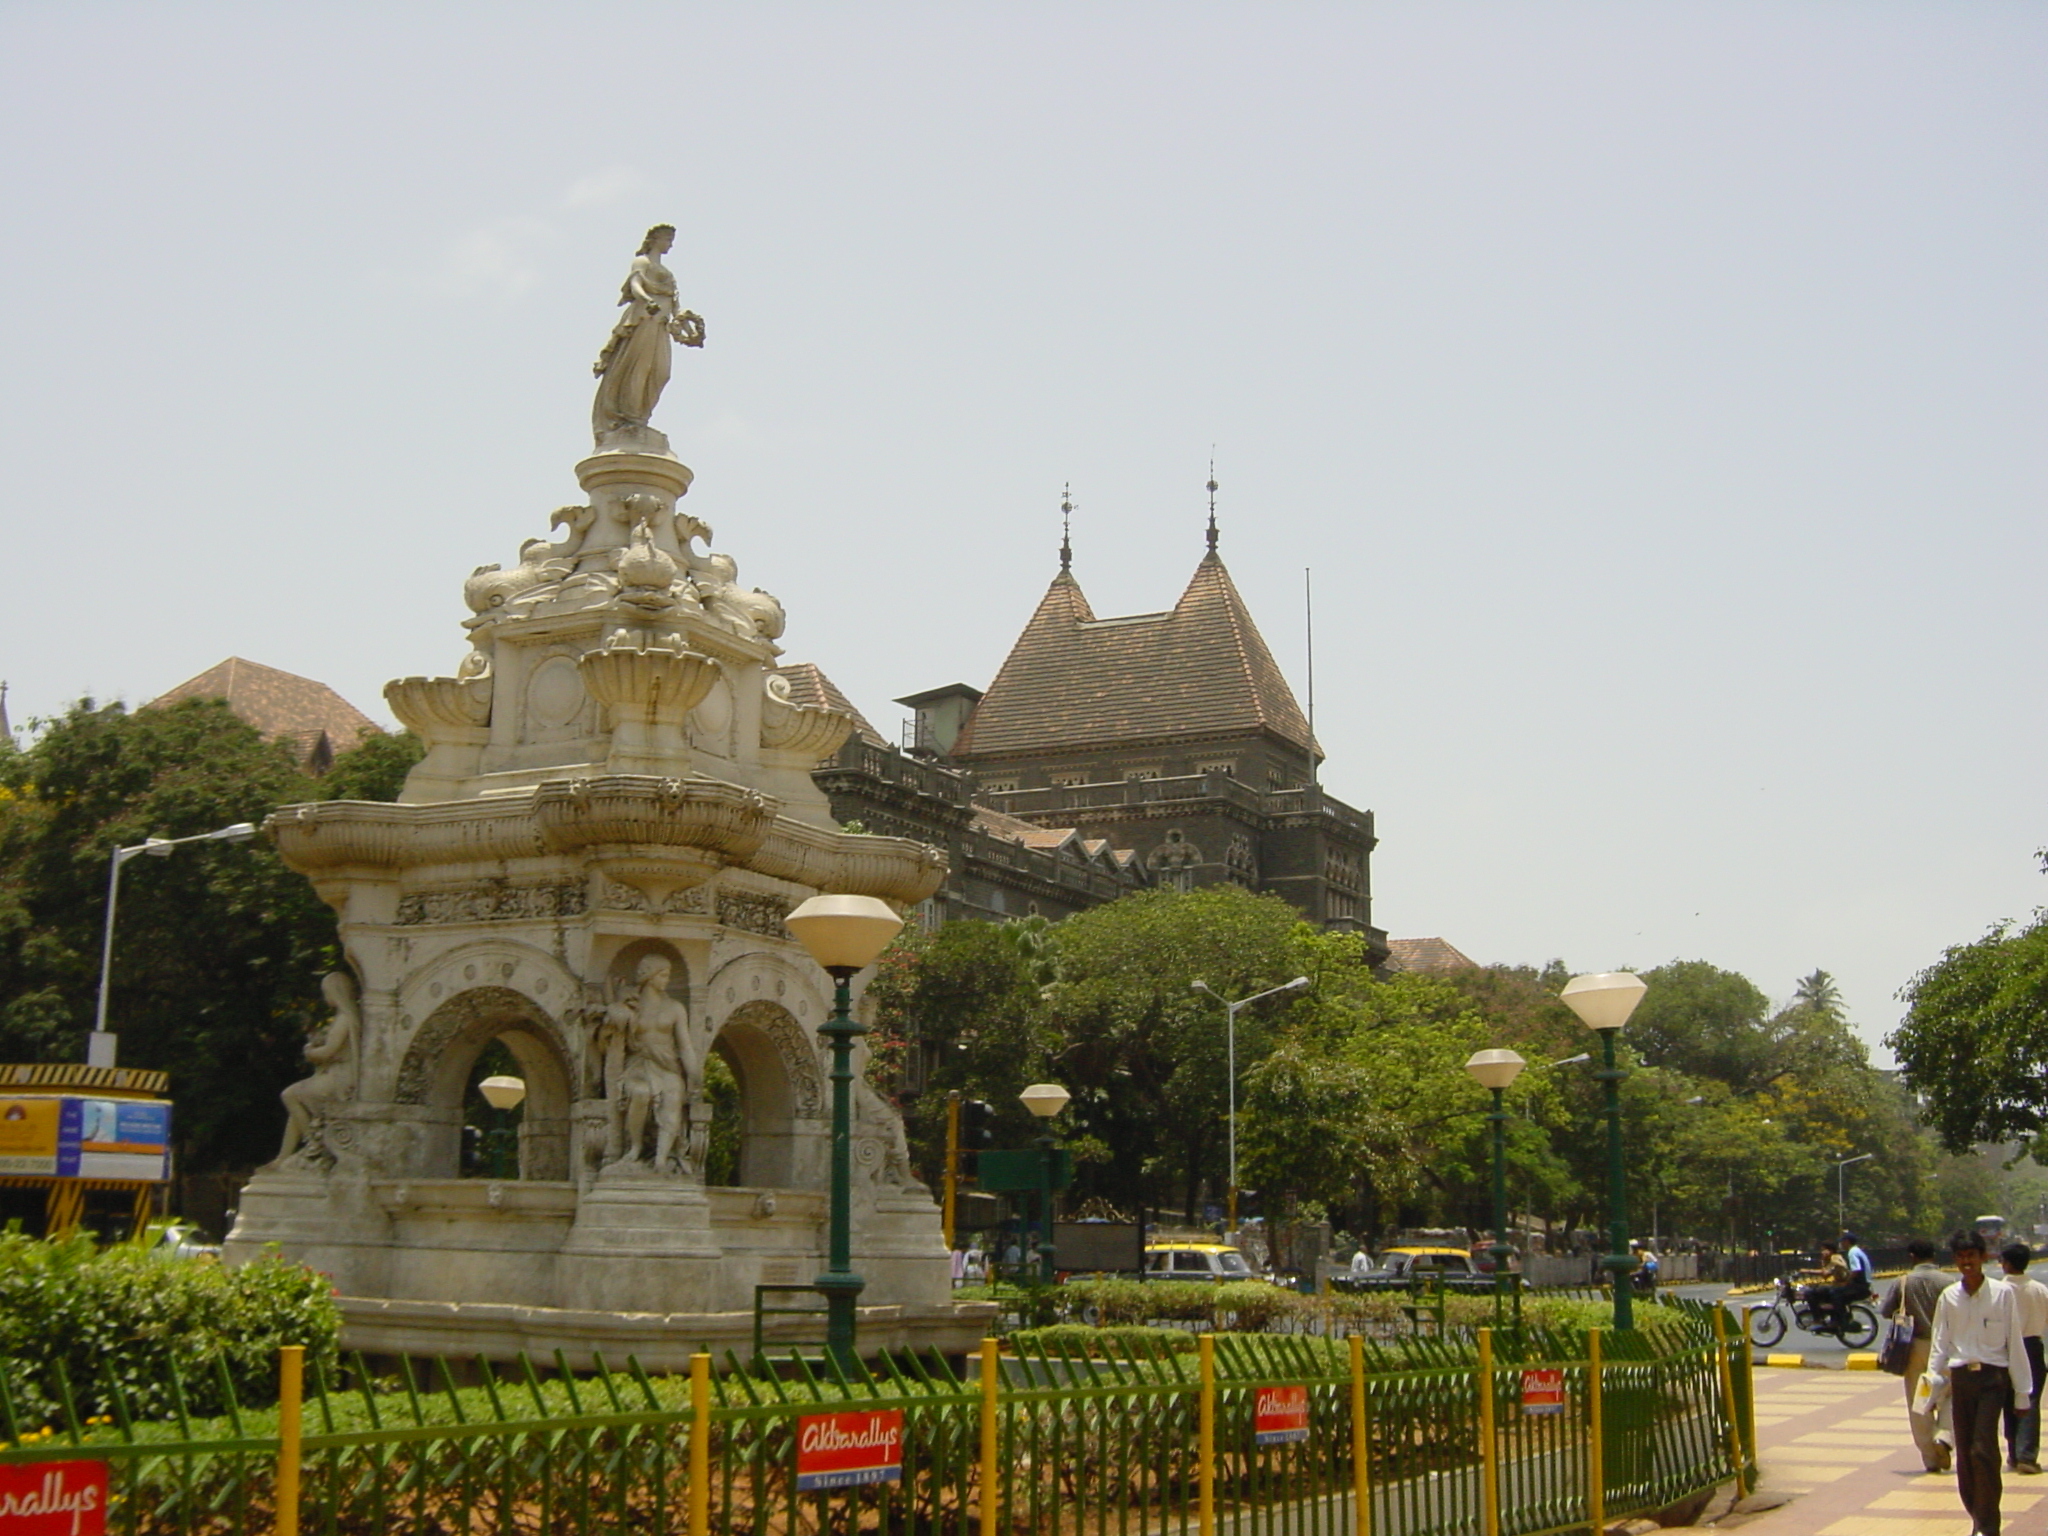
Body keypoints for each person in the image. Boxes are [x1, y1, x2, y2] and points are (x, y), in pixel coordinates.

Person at [1926, 1228, 2033, 1536]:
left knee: (1982, 1450)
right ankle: (1978, 1517)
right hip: (1961, 1380)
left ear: (1983, 1257)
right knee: (1965, 1455)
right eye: (1960, 1257)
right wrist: (1932, 1384)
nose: (1966, 1262)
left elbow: (2014, 1343)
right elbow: (1940, 1343)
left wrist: (2022, 1394)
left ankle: (1988, 1525)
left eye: (1971, 1256)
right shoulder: (1949, 1297)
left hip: (1992, 1380)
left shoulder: (2002, 1294)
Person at [591, 224, 705, 442]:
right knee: (638, 368)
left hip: (661, 325)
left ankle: (641, 417)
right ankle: (631, 420)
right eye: (667, 240)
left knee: (661, 373)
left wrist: (685, 320)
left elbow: (675, 305)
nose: (669, 245)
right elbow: (635, 284)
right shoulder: (642, 262)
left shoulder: (668, 274)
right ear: (654, 240)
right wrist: (647, 299)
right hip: (644, 319)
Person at [1880, 1239, 1955, 1473]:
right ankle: (1944, 1437)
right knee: (1949, 1395)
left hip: (1914, 1349)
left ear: (1912, 1256)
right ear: (1934, 1255)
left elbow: (1885, 1311)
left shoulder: (1903, 1282)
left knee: (1920, 1400)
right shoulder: (1949, 1282)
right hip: (1945, 1348)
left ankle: (1930, 1458)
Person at [1999, 1244, 2048, 1475]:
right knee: (2031, 1399)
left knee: (2009, 1399)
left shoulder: (1998, 1290)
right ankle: (2026, 1455)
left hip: (2005, 1347)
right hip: (2032, 1346)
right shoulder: (2040, 1290)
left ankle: (2014, 1452)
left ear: (2006, 1263)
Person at [1806, 1242, 1850, 1329]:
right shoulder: (1832, 1258)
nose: (1822, 1252)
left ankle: (1817, 1320)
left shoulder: (1835, 1258)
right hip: (1839, 1285)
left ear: (1830, 1250)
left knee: (1809, 1294)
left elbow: (1825, 1273)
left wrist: (1806, 1271)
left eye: (1823, 1250)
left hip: (1840, 1286)